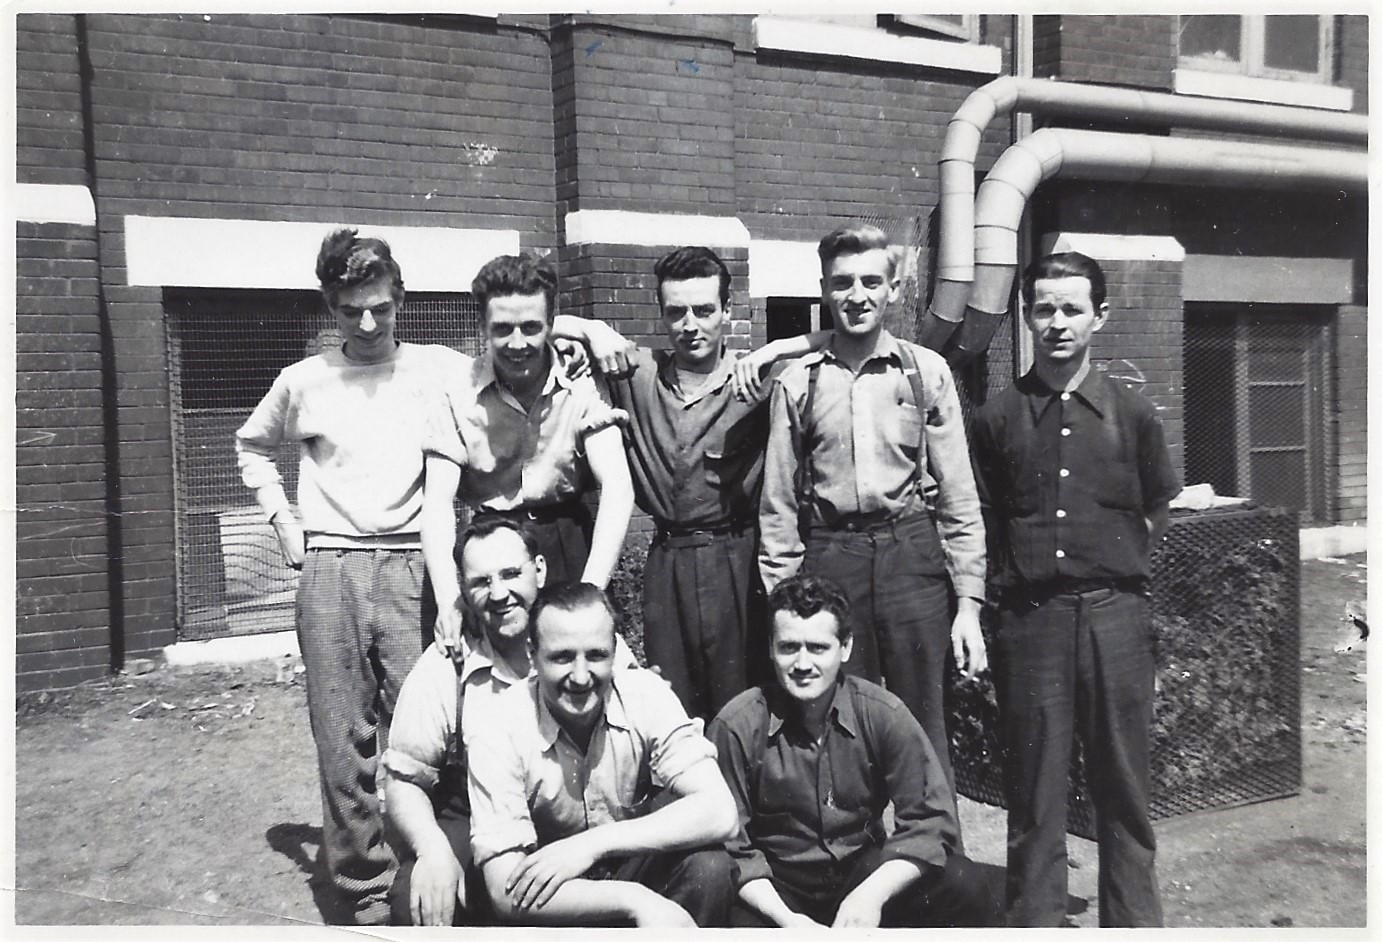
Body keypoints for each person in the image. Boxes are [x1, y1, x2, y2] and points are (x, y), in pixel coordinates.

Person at [235, 228, 463, 925]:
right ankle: (363, 895)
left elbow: (522, 359)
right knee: (342, 741)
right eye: (349, 310)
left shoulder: (441, 368)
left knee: (425, 730)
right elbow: (250, 445)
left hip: (414, 566)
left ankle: (434, 873)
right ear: (329, 306)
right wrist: (283, 522)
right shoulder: (304, 380)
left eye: (381, 308)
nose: (367, 324)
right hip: (330, 568)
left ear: (401, 300)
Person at [970, 251, 1180, 927]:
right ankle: (1034, 923)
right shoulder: (998, 418)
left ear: (1099, 316)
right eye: (1044, 309)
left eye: (1071, 309)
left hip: (1115, 618)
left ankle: (1134, 925)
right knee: (1034, 794)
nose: (1057, 323)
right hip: (1030, 622)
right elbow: (987, 519)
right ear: (1026, 317)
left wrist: (1113, 571)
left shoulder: (1133, 415)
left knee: (1123, 786)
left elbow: (1157, 508)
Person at [757, 222, 987, 793]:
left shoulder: (924, 370)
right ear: (824, 289)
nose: (856, 295)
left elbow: (958, 496)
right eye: (842, 283)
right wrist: (781, 597)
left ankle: (936, 868)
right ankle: (855, 867)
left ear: (893, 287)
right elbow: (779, 504)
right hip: (832, 556)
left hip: (910, 553)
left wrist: (969, 603)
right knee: (842, 723)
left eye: (869, 281)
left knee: (921, 723)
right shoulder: (799, 382)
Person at [560, 245, 828, 719]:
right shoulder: (638, 372)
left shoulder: (757, 378)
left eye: (704, 311)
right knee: (673, 699)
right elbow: (536, 325)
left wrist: (774, 348)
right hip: (669, 562)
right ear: (661, 315)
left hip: (737, 558)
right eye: (676, 312)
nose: (690, 325)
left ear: (727, 311)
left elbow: (843, 337)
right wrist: (591, 329)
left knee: (745, 696)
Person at [381, 515, 636, 926]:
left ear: (539, 570)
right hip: (479, 811)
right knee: (417, 897)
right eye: (481, 582)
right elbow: (404, 779)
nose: (499, 594)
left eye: (511, 574)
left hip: (580, 798)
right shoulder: (446, 664)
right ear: (462, 589)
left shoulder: (585, 640)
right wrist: (433, 851)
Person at [709, 574, 1002, 928]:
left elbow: (932, 820)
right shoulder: (737, 725)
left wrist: (871, 894)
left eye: (818, 648)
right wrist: (788, 921)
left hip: (860, 873)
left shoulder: (881, 713)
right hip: (774, 885)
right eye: (788, 647)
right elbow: (731, 846)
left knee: (962, 883)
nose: (802, 664)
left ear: (845, 648)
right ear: (770, 647)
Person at [466, 581, 738, 927]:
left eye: (596, 656)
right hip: (551, 898)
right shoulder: (496, 725)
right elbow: (506, 891)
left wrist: (592, 845)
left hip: (625, 863)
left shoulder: (645, 694)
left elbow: (720, 812)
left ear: (615, 651)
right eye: (562, 657)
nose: (581, 677)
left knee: (709, 868)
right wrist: (633, 899)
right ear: (532, 654)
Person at [420, 253, 635, 655]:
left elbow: (618, 487)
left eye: (531, 327)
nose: (517, 344)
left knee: (573, 667)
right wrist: (450, 597)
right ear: (481, 326)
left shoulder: (581, 380)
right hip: (488, 548)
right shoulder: (455, 391)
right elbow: (436, 503)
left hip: (565, 544)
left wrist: (592, 591)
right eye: (502, 329)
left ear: (551, 326)